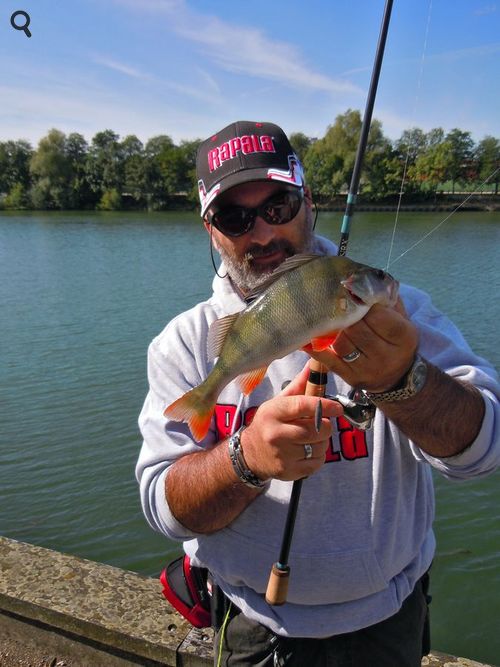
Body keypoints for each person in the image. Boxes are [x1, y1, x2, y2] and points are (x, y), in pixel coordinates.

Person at [136, 120, 500, 667]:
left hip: (388, 621)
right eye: (234, 217)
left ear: (308, 202)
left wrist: (404, 381)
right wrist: (246, 459)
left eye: (277, 206)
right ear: (210, 229)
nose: (261, 234)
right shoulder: (183, 345)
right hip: (253, 624)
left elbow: (486, 450)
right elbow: (163, 508)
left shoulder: (399, 316)